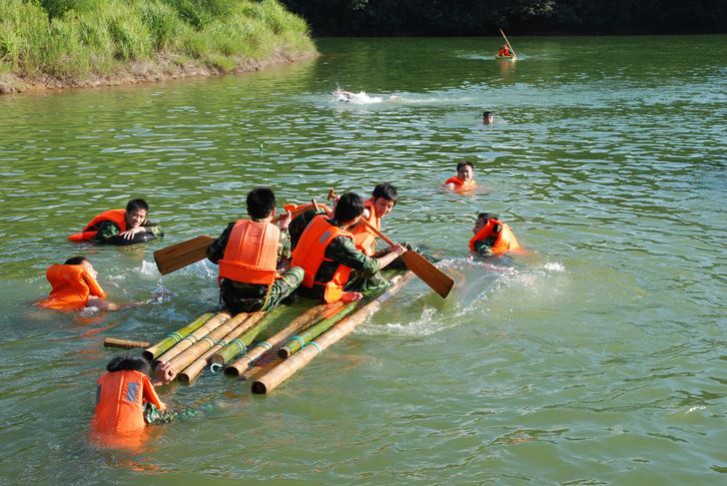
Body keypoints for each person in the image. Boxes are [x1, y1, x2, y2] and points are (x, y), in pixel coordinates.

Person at [291, 192, 406, 303]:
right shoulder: (340, 241)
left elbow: (292, 229)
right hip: (315, 290)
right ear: (356, 218)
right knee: (370, 275)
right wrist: (395, 253)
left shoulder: (317, 218)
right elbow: (370, 266)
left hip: (296, 277)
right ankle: (387, 287)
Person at [206, 187, 303, 314]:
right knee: (299, 271)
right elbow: (286, 262)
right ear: (273, 211)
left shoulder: (232, 228)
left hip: (228, 298)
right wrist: (284, 228)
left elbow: (212, 255)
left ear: (248, 211)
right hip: (259, 302)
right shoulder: (279, 235)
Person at [37, 256, 122, 311]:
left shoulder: (55, 295)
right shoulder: (89, 299)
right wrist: (128, 306)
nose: (96, 272)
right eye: (90, 269)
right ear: (78, 274)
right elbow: (111, 307)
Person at [68, 198, 164, 245]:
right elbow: (102, 242)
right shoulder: (113, 226)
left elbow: (160, 229)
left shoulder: (141, 221)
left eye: (141, 217)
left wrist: (140, 229)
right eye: (134, 215)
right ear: (127, 213)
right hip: (85, 241)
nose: (137, 220)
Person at [350, 183, 398, 257]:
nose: (385, 210)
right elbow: (356, 212)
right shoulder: (367, 213)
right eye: (382, 204)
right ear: (373, 199)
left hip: (364, 255)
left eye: (389, 206)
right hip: (354, 257)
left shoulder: (376, 214)